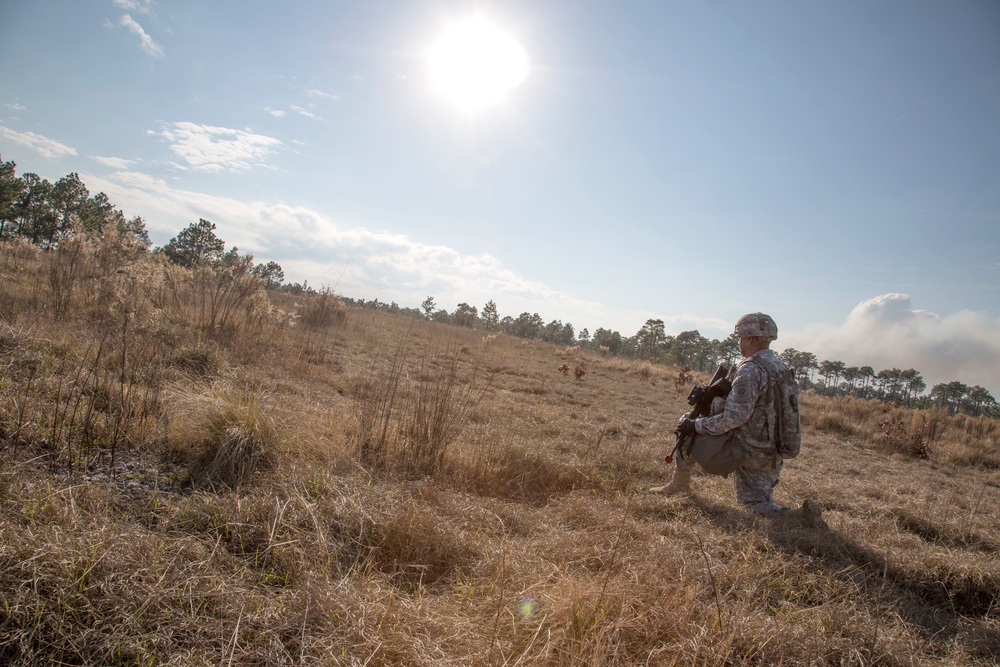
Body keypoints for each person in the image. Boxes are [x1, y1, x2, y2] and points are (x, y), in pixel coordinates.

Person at [650, 312, 823, 524]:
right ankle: (799, 517)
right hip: (772, 455)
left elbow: (735, 417)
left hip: (747, 450)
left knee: (687, 426)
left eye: (741, 337)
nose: (740, 342)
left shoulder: (750, 369)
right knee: (756, 504)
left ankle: (679, 484)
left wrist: (696, 424)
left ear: (750, 338)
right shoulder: (781, 368)